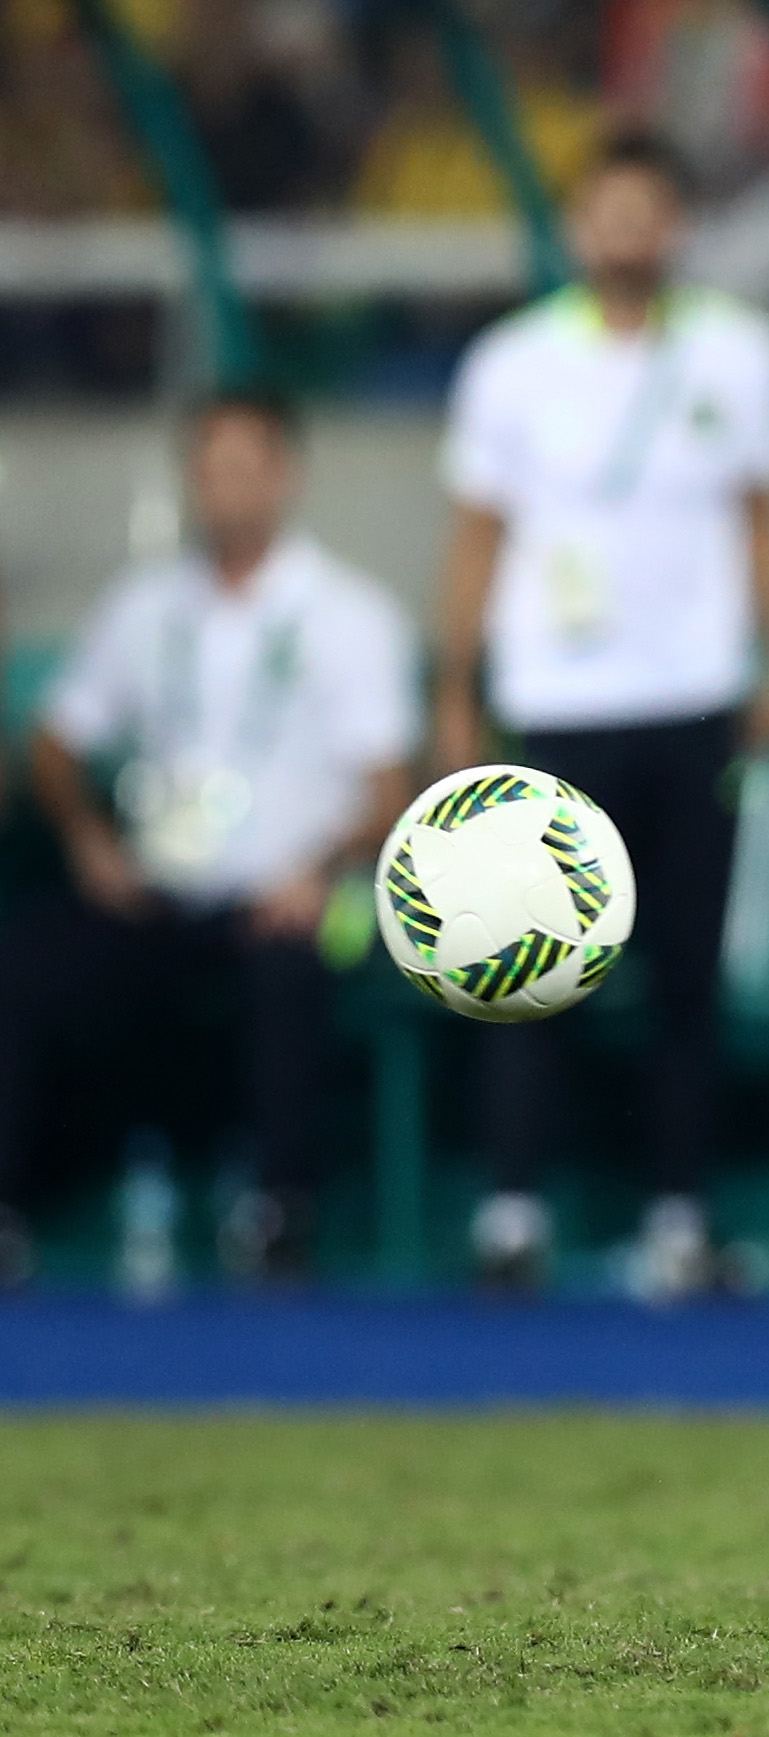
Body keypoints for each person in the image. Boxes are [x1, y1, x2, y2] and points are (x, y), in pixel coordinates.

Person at [433, 130, 769, 1302]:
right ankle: (512, 1211)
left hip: (693, 697)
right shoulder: (508, 364)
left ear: (678, 225)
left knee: (684, 975)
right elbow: (479, 536)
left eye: (647, 209)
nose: (626, 230)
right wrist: (457, 688)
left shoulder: (739, 355)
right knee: (522, 963)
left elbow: (762, 519)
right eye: (606, 210)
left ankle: (679, 1215)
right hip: (557, 703)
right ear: (574, 227)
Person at [0, 389, 417, 1290]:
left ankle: (279, 1213)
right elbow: (56, 738)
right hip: (160, 890)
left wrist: (315, 869)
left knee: (292, 962)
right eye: (208, 466)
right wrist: (87, 838)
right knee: (28, 961)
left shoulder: (347, 613)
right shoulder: (146, 605)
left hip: (302, 893)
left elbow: (391, 790)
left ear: (285, 477)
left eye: (244, 466)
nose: (224, 488)